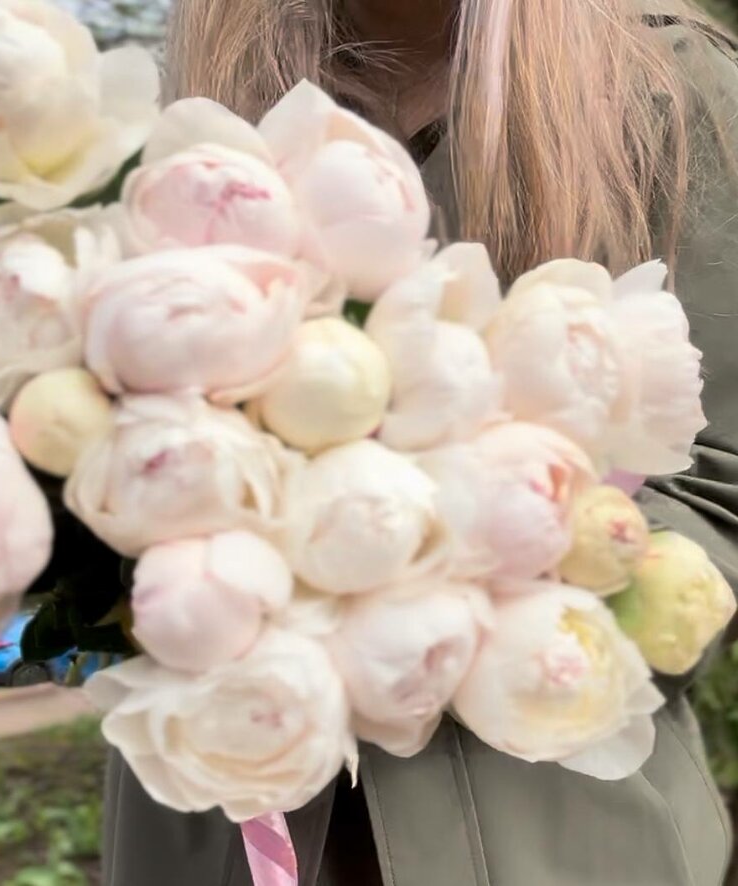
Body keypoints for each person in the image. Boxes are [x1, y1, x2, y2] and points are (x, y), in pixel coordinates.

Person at [102, 2, 738, 884]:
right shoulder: (195, 123)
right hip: (226, 805)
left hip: (551, 829)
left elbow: (719, 484)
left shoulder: (668, 88)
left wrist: (429, 597)